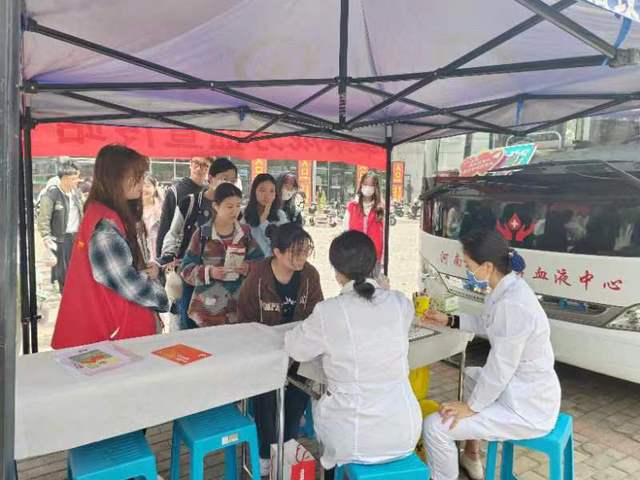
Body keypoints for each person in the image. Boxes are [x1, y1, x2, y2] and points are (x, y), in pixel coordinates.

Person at [421, 229, 561, 480]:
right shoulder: (507, 288)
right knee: (471, 375)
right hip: (522, 388)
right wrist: (449, 319)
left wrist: (471, 407)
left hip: (526, 408)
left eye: (468, 265)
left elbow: (500, 368)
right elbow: (487, 323)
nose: (467, 269)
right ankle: (471, 453)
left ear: (487, 266)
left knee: (434, 427)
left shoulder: (512, 305)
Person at [284, 231, 422, 474]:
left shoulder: (329, 312)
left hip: (353, 436)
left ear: (337, 273)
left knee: (321, 406)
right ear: (374, 266)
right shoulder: (401, 303)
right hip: (404, 430)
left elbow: (296, 348)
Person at [51, 145, 170, 349]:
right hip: (108, 336)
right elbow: (128, 283)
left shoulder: (103, 213)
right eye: (136, 176)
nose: (142, 183)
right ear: (115, 178)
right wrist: (162, 297)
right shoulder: (105, 225)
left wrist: (145, 271)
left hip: (108, 333)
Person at [237, 223, 323, 476]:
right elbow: (245, 317)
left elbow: (318, 313)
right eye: (295, 252)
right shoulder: (258, 277)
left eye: (305, 250)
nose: (302, 257)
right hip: (265, 351)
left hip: (299, 350)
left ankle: (286, 447)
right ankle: (266, 452)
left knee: (299, 394)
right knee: (265, 400)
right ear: (277, 252)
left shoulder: (310, 275)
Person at [180, 183, 259, 327]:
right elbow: (185, 269)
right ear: (216, 206)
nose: (235, 211)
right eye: (229, 206)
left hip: (239, 309)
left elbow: (261, 263)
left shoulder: (245, 234)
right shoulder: (202, 234)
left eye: (238, 206)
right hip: (208, 313)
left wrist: (247, 267)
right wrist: (209, 272)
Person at [36, 161, 83, 292]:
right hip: (60, 239)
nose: (77, 181)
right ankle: (65, 294)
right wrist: (46, 237)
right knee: (62, 271)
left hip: (77, 237)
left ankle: (74, 292)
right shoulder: (51, 195)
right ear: (65, 179)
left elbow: (83, 212)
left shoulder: (77, 194)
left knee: (78, 267)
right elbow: (43, 218)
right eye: (74, 179)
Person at [155, 156, 212, 259]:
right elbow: (165, 227)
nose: (199, 168)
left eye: (204, 165)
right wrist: (161, 258)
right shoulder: (175, 192)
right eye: (196, 163)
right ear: (190, 164)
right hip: (179, 254)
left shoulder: (209, 193)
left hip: (202, 254)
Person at [343, 171, 385, 273]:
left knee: (373, 282)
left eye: (371, 185)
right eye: (365, 184)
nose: (368, 188)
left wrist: (382, 260)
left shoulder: (381, 208)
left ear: (375, 188)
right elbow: (345, 231)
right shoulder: (352, 207)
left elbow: (384, 236)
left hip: (374, 259)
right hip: (355, 256)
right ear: (361, 185)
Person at [242, 173, 288, 258]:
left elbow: (280, 245)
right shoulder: (243, 213)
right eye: (262, 190)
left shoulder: (280, 215)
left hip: (270, 262)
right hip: (247, 262)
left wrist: (263, 221)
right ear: (254, 191)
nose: (267, 195)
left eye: (271, 191)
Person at [142, 175, 163, 260]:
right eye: (141, 185)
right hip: (142, 255)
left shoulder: (163, 208)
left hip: (160, 253)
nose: (144, 189)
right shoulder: (132, 210)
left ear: (155, 188)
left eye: (147, 186)